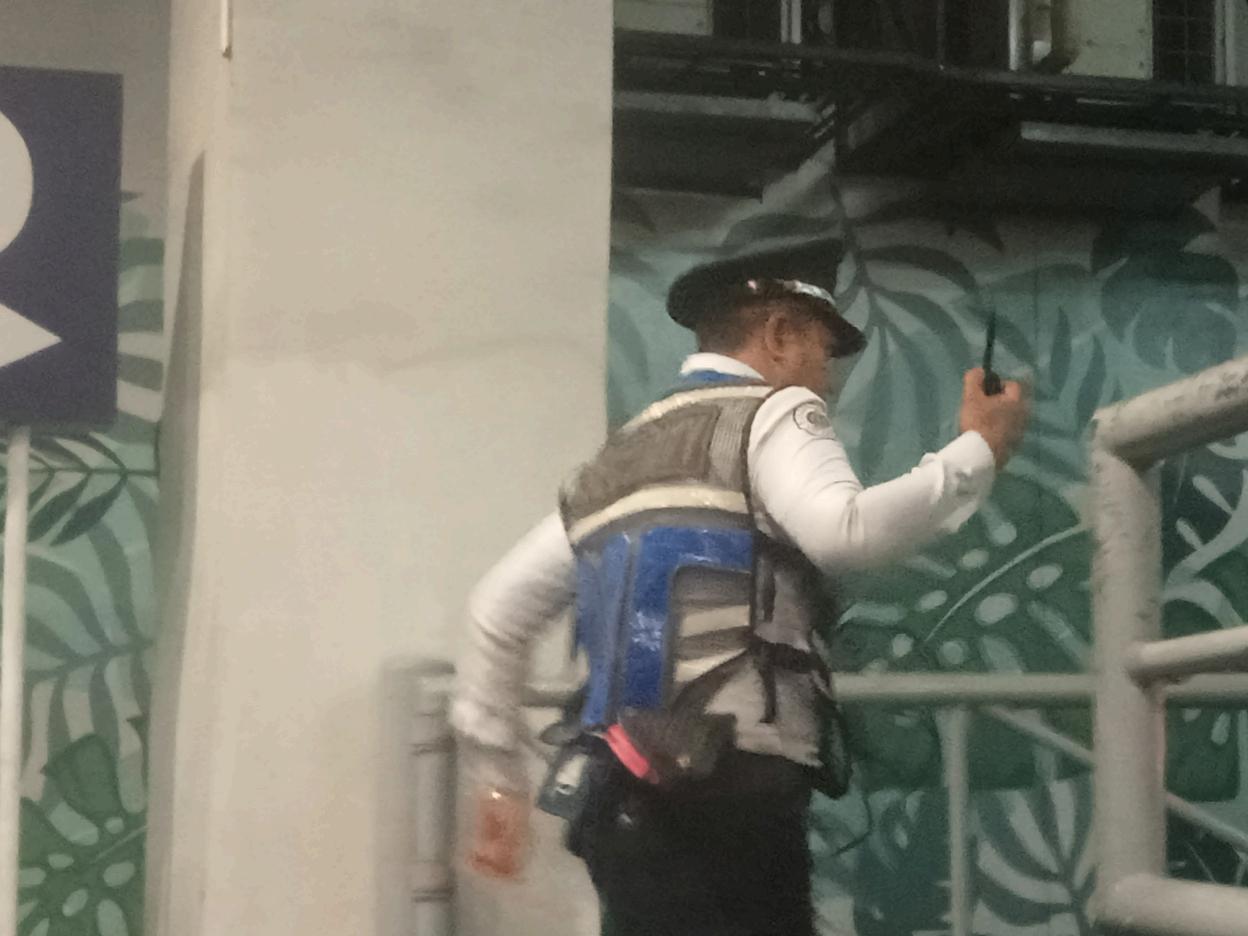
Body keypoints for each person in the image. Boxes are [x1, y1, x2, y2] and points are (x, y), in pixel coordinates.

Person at [451, 238, 1030, 936]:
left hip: (616, 794)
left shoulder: (616, 460)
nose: (827, 379)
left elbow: (496, 610)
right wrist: (977, 450)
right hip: (730, 790)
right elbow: (844, 531)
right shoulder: (773, 413)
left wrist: (498, 776)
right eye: (824, 351)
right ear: (780, 334)